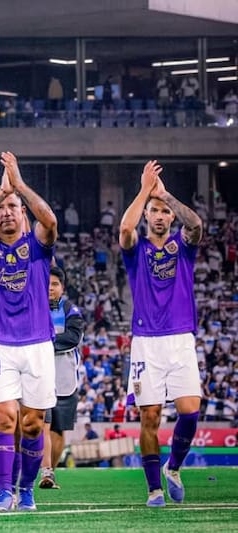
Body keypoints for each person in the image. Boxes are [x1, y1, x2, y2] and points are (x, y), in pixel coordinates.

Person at [0, 152, 58, 512]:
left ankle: (27, 490)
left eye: (13, 206)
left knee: (33, 425)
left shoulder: (36, 246)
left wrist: (18, 186)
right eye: (2, 208)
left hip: (37, 344)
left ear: (23, 214)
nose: (6, 211)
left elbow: (49, 220)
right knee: (3, 417)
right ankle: (4, 492)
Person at [119, 160, 202, 507]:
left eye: (164, 211)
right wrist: (144, 191)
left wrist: (165, 193)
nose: (159, 215)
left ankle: (173, 468)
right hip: (146, 343)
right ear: (147, 215)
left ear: (170, 217)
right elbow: (125, 229)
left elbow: (196, 224)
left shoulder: (183, 245)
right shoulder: (136, 249)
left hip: (181, 338)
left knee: (190, 410)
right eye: (154, 210)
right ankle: (154, 489)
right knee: (150, 416)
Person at [39, 266, 85, 490]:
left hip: (65, 379)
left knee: (58, 429)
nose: (50, 288)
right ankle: (44, 470)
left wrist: (41, 342)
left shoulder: (70, 309)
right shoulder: (33, 307)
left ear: (62, 287)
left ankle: (51, 472)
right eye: (47, 283)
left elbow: (73, 338)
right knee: (41, 426)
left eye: (55, 284)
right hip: (38, 376)